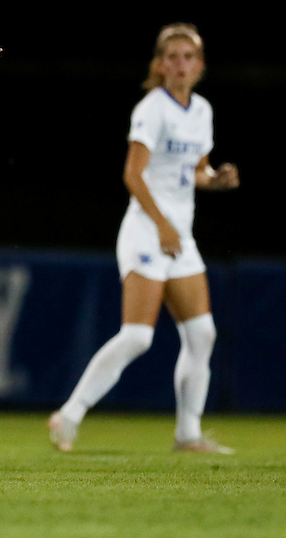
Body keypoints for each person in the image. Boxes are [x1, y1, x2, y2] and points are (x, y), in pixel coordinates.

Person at [48, 23, 239, 453]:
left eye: (189, 57)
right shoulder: (153, 107)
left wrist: (216, 179)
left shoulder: (202, 110)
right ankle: (69, 415)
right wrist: (164, 226)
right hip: (147, 230)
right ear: (159, 65)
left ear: (200, 66)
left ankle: (188, 433)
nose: (181, 64)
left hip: (178, 235)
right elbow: (133, 174)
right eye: (172, 57)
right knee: (138, 336)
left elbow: (196, 171)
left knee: (203, 333)